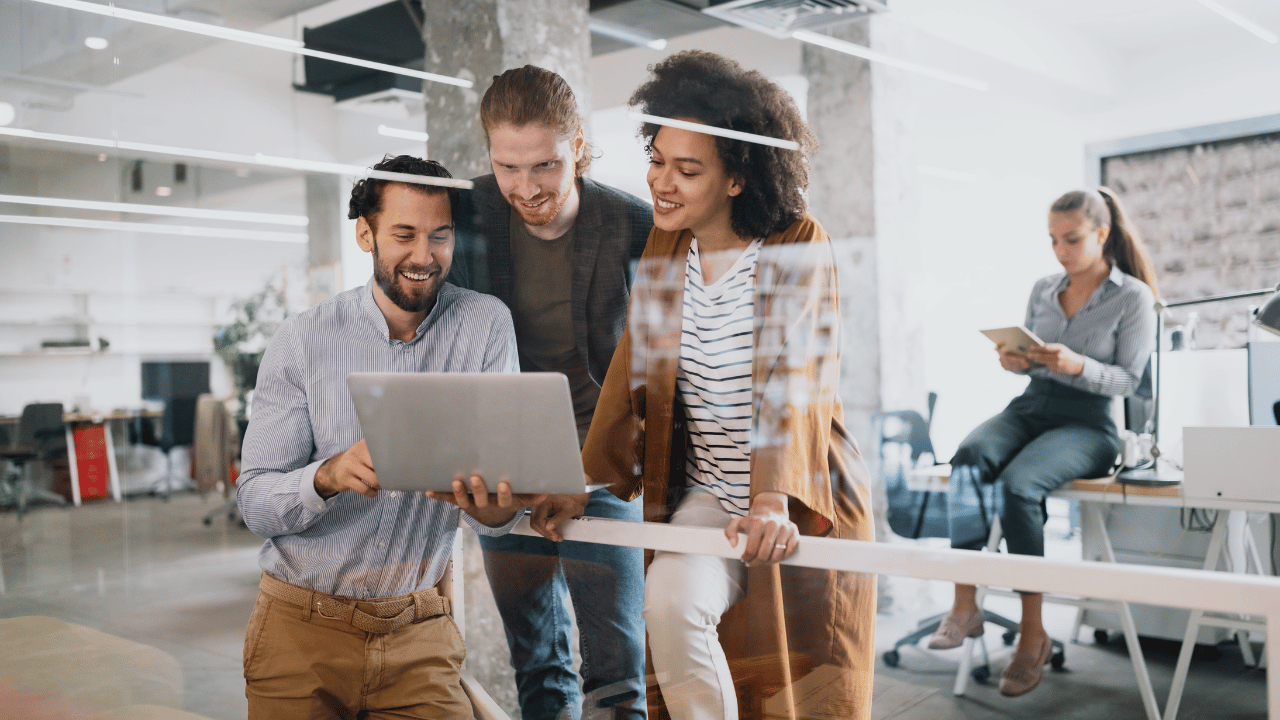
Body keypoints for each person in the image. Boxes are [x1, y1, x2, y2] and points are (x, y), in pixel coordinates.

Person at [532, 51, 876, 720]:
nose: (660, 182)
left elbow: (792, 376)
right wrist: (581, 480)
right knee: (668, 602)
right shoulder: (669, 247)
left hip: (800, 494)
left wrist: (773, 498)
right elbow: (638, 371)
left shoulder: (797, 243)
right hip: (711, 494)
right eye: (657, 159)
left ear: (739, 179)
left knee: (804, 687)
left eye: (687, 170)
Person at [237, 155, 541, 720]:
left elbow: (491, 515)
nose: (423, 256)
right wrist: (326, 476)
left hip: (418, 636)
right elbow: (255, 501)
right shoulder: (303, 341)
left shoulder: (485, 326)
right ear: (365, 233)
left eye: (439, 237)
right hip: (300, 632)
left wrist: (498, 504)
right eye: (404, 234)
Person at [447, 65, 652, 720]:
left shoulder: (635, 227)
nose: (526, 188)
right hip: (508, 463)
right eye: (508, 167)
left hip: (600, 467)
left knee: (616, 670)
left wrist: (594, 474)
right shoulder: (468, 215)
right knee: (537, 660)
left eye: (545, 165)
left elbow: (660, 375)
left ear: (580, 144)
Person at [928, 187, 1159, 698]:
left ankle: (1033, 633)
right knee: (967, 457)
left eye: (1072, 239)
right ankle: (965, 603)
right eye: (1053, 240)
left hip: (1090, 423)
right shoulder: (1042, 288)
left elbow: (1131, 382)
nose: (1060, 251)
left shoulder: (1132, 297)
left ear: (1102, 234)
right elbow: (1028, 356)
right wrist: (1017, 359)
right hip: (1033, 406)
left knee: (1018, 486)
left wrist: (1080, 365)